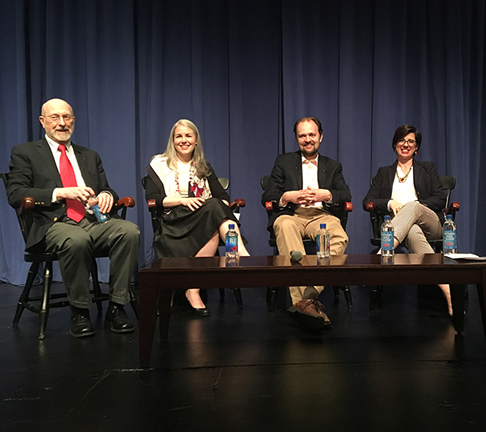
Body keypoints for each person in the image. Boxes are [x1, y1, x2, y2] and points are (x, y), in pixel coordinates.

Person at [6, 98, 140, 338]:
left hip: (92, 220)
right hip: (52, 223)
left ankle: (117, 307)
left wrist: (106, 196)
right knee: (76, 239)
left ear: (74, 121)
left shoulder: (89, 155)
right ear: (42, 121)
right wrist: (61, 193)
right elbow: (16, 194)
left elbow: (107, 188)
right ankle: (80, 311)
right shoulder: (25, 153)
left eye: (67, 117)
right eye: (55, 117)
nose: (61, 123)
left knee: (128, 231)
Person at [145, 119, 249, 316]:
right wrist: (182, 201)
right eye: (179, 136)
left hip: (202, 218)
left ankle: (193, 289)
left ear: (195, 140)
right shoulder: (159, 163)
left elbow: (223, 197)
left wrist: (219, 207)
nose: (184, 140)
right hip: (174, 220)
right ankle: (238, 253)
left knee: (215, 209)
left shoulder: (202, 166)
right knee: (214, 208)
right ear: (173, 140)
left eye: (188, 136)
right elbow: (153, 199)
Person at [261, 116, 351, 331]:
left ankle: (306, 298)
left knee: (339, 236)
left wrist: (326, 194)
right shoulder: (283, 161)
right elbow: (269, 193)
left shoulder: (333, 165)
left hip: (321, 216)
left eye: (312, 134)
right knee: (283, 226)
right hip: (292, 215)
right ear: (296, 138)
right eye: (302, 135)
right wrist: (287, 196)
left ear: (320, 136)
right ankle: (308, 303)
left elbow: (345, 194)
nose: (307, 139)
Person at [362, 124, 451, 315]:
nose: (406, 144)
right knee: (411, 231)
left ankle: (382, 253)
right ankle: (447, 289)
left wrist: (415, 205)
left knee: (412, 206)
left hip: (430, 223)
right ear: (395, 144)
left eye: (411, 141)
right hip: (402, 228)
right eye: (402, 140)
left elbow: (440, 198)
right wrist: (389, 203)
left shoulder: (427, 168)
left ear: (416, 147)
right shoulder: (384, 172)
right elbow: (367, 201)